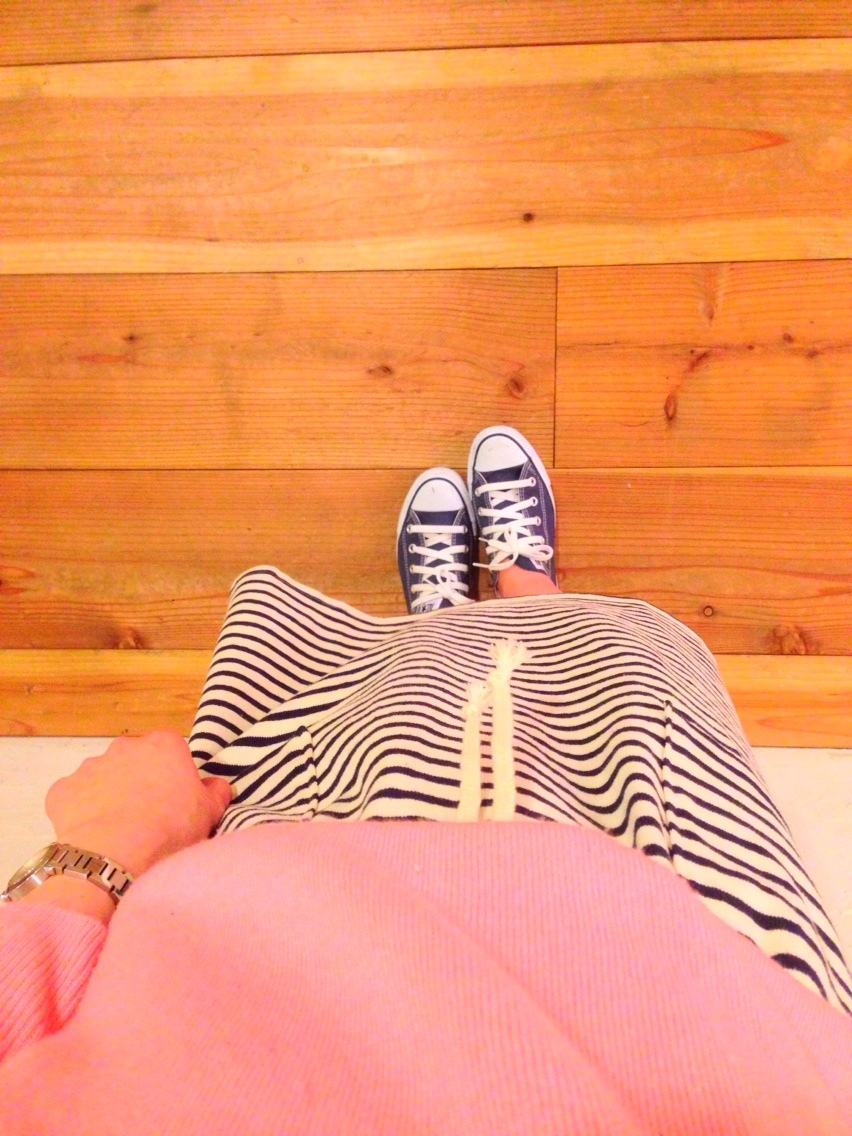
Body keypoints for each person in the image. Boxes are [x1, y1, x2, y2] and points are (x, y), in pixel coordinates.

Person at [1, 424, 850, 1135]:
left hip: (263, 936)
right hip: (716, 1004)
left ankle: (442, 626)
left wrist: (102, 847)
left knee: (387, 729)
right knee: (620, 689)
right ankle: (528, 589)